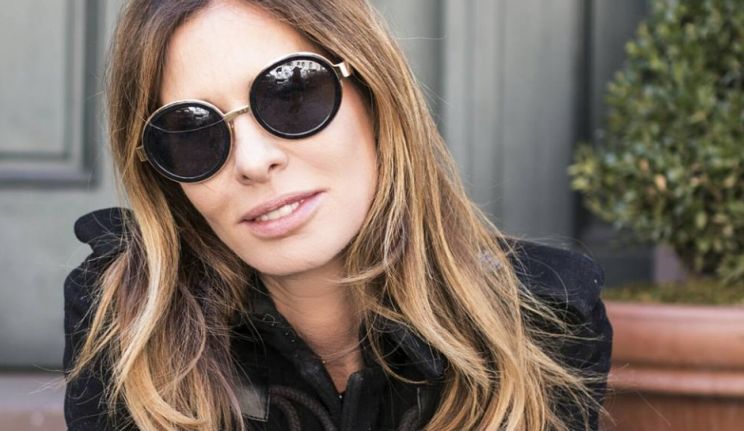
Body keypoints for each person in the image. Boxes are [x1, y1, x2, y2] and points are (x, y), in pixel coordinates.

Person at [63, 0, 613, 430]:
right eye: (193, 132)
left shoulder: (543, 320)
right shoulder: (129, 325)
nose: (253, 161)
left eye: (291, 94)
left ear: (373, 93)